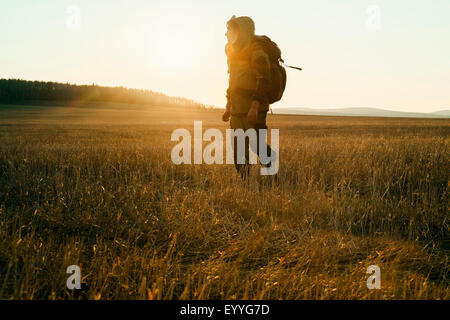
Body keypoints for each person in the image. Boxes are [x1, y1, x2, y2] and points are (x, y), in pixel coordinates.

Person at [222, 15, 275, 180]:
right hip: (237, 109)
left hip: (254, 108)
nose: (226, 34)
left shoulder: (257, 51)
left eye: (230, 30)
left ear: (241, 31)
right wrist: (228, 106)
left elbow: (263, 80)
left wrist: (254, 107)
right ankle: (245, 185)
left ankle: (274, 176)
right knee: (238, 149)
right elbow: (232, 83)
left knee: (257, 145)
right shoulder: (233, 53)